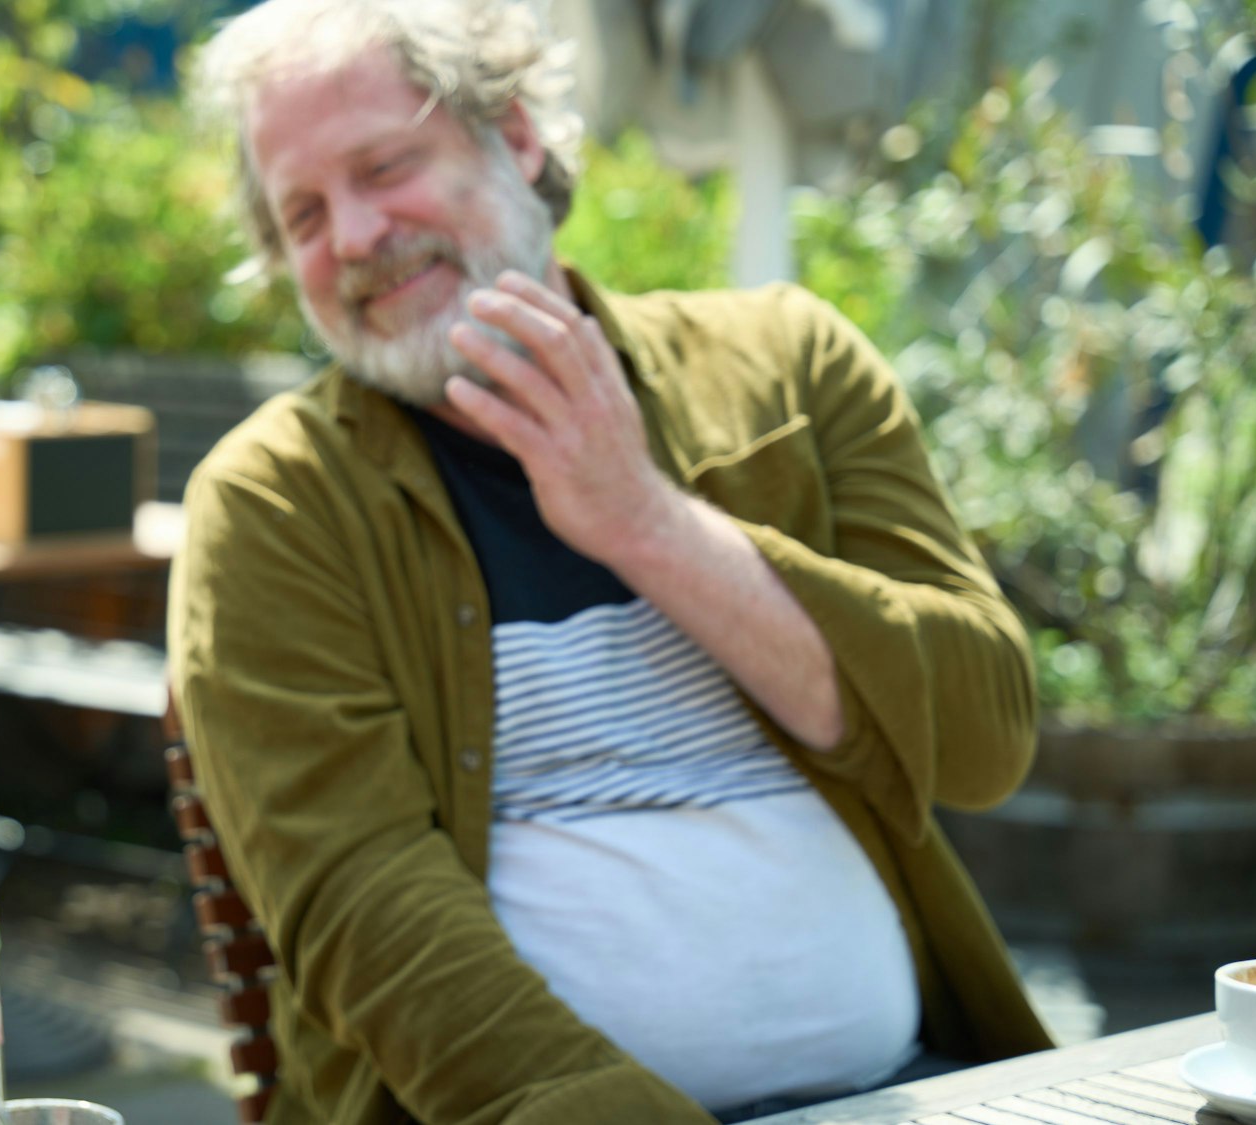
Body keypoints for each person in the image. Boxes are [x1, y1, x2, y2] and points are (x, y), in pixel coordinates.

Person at [166, 2, 1055, 1122]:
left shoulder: (789, 365)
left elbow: (984, 737)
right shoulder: (276, 503)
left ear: (519, 137)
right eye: (300, 213)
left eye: (383, 165)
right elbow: (363, 913)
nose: (349, 236)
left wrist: (644, 521)